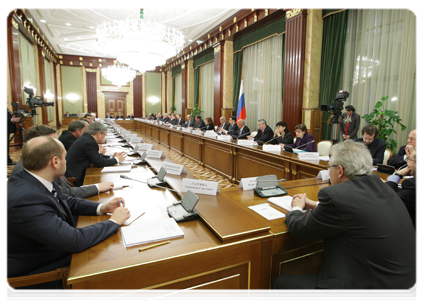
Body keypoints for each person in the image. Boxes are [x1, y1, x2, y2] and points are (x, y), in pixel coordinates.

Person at [272, 140, 419, 300]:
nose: (329, 172)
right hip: (408, 289)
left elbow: (300, 228)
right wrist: (316, 205)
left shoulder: (337, 196)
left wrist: (297, 208)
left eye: (330, 168)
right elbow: (358, 209)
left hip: (371, 293)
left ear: (340, 171)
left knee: (280, 284)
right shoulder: (383, 187)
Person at [5, 136, 130, 300]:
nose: (67, 161)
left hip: (50, 248)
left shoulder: (34, 177)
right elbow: (74, 241)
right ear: (55, 162)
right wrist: (113, 221)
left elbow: (67, 201)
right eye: (65, 157)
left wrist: (102, 208)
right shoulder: (25, 200)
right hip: (38, 276)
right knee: (119, 266)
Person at [10, 125, 114, 198]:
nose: (58, 146)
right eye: (54, 142)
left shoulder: (42, 162)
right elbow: (63, 194)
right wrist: (97, 187)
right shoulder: (32, 169)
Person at [66, 122, 126, 186]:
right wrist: (116, 160)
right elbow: (99, 162)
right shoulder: (89, 142)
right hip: (75, 178)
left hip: (76, 172)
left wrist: (111, 158)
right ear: (98, 134)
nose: (104, 137)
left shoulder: (87, 138)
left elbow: (95, 156)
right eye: (104, 134)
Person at [386, 145, 420, 243]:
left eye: (410, 159)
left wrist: (396, 175)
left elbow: (388, 201)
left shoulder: (414, 186)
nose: (407, 162)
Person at [5, 98, 20, 166]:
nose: (5, 99)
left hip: (6, 129)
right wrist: (12, 119)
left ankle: (7, 160)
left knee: (6, 145)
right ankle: (6, 161)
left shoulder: (5, 107)